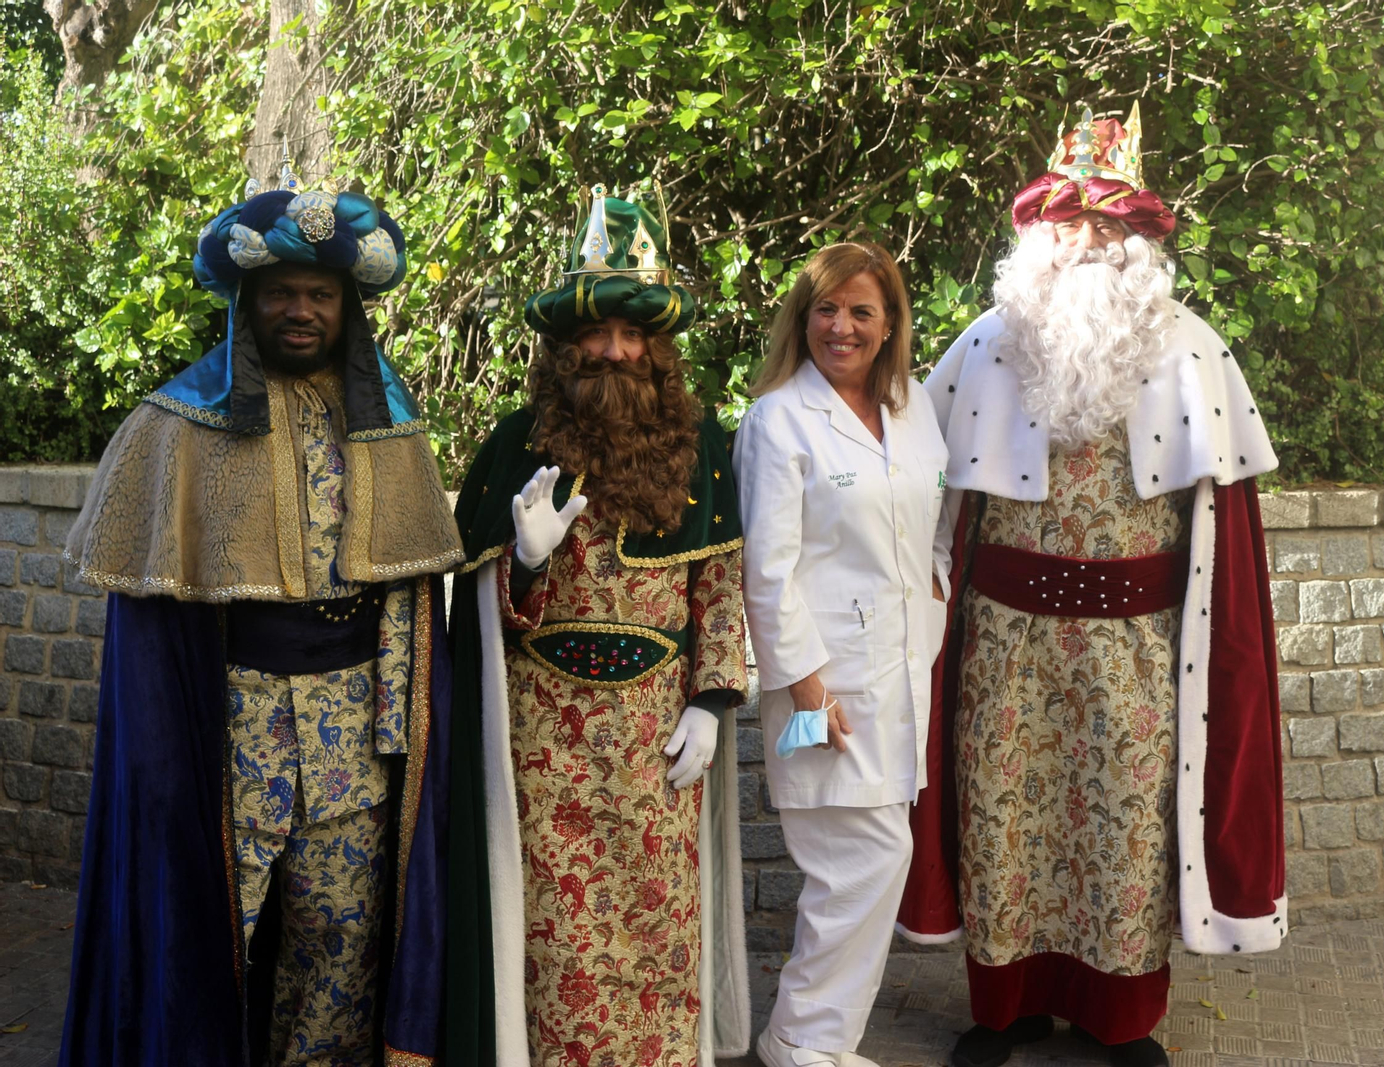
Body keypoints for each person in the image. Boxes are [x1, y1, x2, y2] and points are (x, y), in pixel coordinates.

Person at [895, 105, 1287, 1067]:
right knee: (1003, 818)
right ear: (1037, 237)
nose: (1086, 241)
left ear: (1138, 238)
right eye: (1067, 223)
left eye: (1106, 224)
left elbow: (1223, 534)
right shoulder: (988, 345)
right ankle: (1007, 1007)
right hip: (1006, 641)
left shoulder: (1192, 348)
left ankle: (1121, 1019)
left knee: (1126, 828)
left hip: (1135, 649)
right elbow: (913, 490)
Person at [57, 156, 462, 1066]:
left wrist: (401, 725)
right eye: (281, 291)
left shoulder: (387, 427)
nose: (301, 310)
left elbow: (412, 597)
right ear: (251, 299)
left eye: (318, 293)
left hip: (353, 746)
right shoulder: (176, 425)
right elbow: (149, 617)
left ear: (345, 306)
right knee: (209, 945)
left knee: (339, 951)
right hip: (229, 743)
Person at [445, 183, 751, 1067]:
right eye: (597, 333)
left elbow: (720, 582)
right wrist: (523, 560)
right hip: (544, 741)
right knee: (552, 937)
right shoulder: (512, 444)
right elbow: (465, 606)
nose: (614, 351)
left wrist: (714, 698)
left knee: (657, 922)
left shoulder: (704, 447)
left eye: (633, 335)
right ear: (564, 345)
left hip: (656, 731)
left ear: (657, 349)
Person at [734, 241, 952, 1067]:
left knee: (855, 868)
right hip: (815, 690)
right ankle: (801, 1040)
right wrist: (812, 694)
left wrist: (931, 596)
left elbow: (935, 521)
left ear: (889, 321)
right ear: (804, 318)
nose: (843, 326)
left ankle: (813, 1039)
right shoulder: (780, 418)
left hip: (897, 677)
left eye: (862, 310)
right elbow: (768, 572)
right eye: (827, 308)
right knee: (863, 860)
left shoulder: (913, 409)